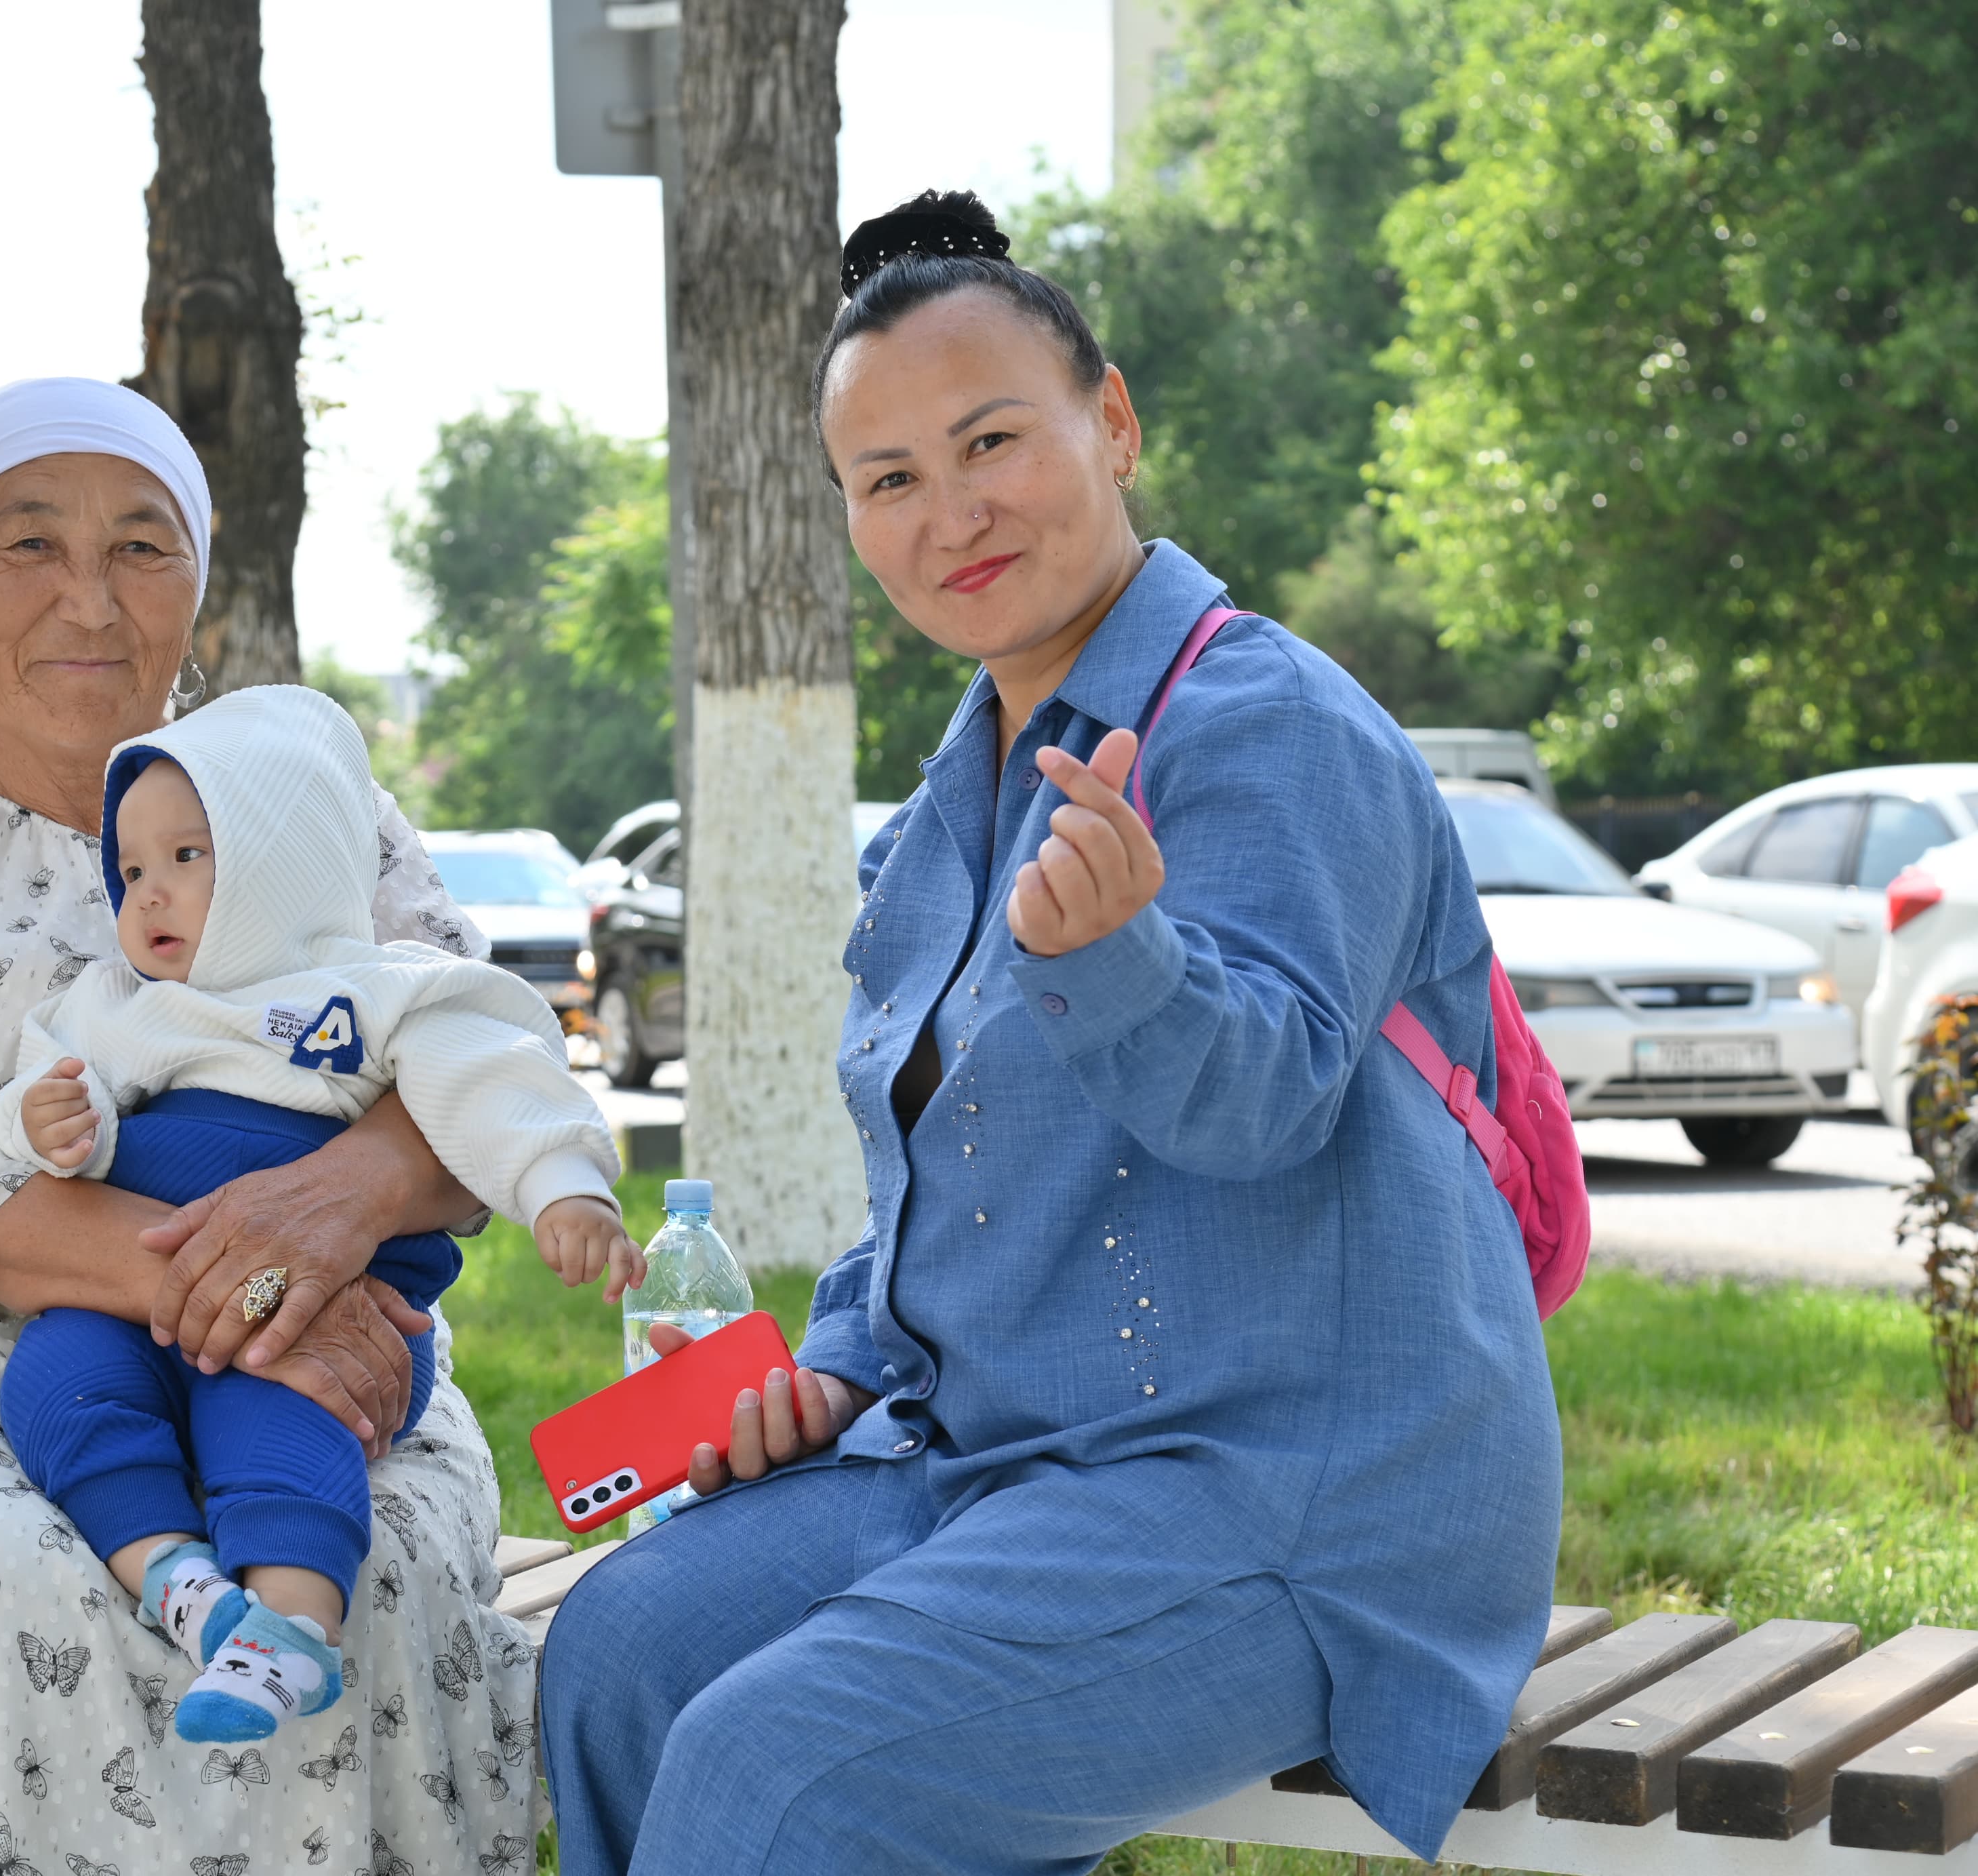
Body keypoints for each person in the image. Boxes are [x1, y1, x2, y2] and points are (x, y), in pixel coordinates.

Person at [538, 189, 1562, 1875]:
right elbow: (934, 1192)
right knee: (619, 1661)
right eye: (888, 480)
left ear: (1115, 423)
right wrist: (833, 1366)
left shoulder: (1274, 724)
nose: (950, 513)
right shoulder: (941, 816)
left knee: (775, 1767)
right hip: (999, 1462)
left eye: (989, 439)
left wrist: (1123, 959)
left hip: (1288, 1498)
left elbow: (1270, 1099)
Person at [0, 378, 544, 1876]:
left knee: (372, 1582)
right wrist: (252, 1292)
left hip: (334, 1333)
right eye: (28, 545)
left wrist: (335, 1215)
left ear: (197, 585)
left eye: (140, 547)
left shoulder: (317, 807)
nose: (89, 598)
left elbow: (466, 1049)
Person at [0, 683, 633, 1744]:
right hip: (131, 1292)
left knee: (276, 1418)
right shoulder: (118, 1002)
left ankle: (293, 1624)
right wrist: (56, 1118)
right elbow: (47, 1087)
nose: (148, 893)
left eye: (188, 857)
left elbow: (492, 1071)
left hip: (326, 1305)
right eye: (132, 868)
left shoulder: (368, 989)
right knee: (54, 1380)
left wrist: (564, 1185)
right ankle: (183, 1582)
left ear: (279, 862)